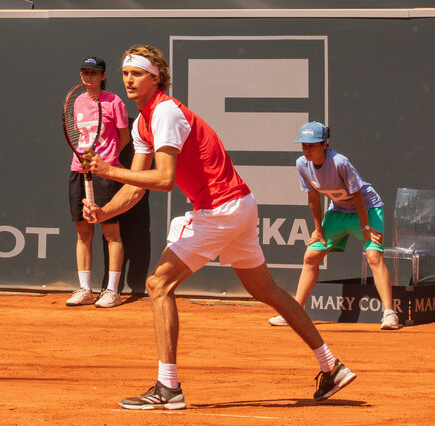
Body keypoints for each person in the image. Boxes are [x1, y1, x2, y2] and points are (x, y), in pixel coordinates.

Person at [81, 45, 355, 410]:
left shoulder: (164, 111)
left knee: (157, 284)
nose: (129, 79)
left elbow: (163, 179)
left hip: (221, 209)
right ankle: (330, 366)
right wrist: (103, 213)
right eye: (125, 73)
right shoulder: (143, 121)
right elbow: (135, 189)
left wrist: (109, 169)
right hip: (239, 205)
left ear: (156, 77)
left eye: (137, 73)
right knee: (267, 290)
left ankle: (168, 387)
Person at [268, 122, 401, 330]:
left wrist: (366, 229)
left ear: (324, 144)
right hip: (338, 211)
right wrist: (318, 229)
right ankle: (295, 312)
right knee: (310, 256)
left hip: (367, 209)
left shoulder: (340, 162)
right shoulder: (302, 164)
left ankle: (389, 314)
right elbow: (312, 197)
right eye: (304, 145)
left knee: (374, 256)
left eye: (311, 145)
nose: (306, 150)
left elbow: (357, 195)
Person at [65, 56, 130, 308]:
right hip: (77, 170)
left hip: (104, 172)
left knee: (110, 232)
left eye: (93, 72)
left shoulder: (114, 102)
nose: (88, 76)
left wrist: (108, 160)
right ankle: (85, 289)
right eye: (84, 72)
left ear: (103, 75)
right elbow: (79, 135)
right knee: (83, 231)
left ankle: (112, 291)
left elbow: (123, 137)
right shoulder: (78, 101)